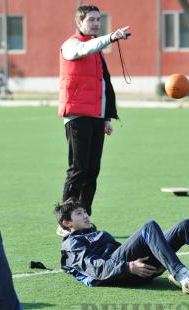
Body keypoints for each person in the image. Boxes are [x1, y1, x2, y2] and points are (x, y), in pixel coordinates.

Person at [57, 4, 130, 236]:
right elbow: (85, 49)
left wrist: (105, 117)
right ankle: (65, 223)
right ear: (79, 23)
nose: (96, 23)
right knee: (78, 171)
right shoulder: (72, 45)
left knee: (92, 171)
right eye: (91, 20)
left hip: (96, 118)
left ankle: (84, 220)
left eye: (98, 20)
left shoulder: (95, 49)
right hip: (77, 116)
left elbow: (102, 86)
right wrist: (111, 37)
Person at [55, 198, 189, 296]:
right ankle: (184, 278)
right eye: (79, 213)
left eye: (85, 211)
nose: (85, 215)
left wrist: (157, 257)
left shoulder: (94, 233)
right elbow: (96, 268)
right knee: (148, 227)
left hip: (133, 267)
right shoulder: (72, 244)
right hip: (122, 274)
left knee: (184, 226)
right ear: (66, 223)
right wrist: (129, 266)